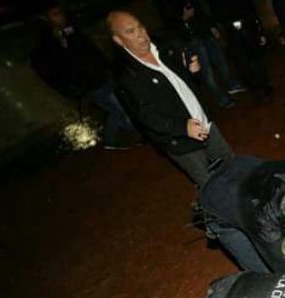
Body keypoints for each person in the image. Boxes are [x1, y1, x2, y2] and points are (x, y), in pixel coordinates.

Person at [110, 10, 235, 187]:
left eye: (140, 27)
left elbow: (181, 84)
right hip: (180, 141)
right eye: (130, 32)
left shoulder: (163, 48)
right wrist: (182, 128)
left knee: (233, 165)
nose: (141, 35)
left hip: (204, 122)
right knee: (211, 185)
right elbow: (146, 117)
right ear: (118, 40)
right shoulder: (126, 77)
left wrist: (192, 72)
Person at [31, 4, 138, 150]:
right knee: (120, 107)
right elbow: (56, 68)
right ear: (45, 18)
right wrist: (73, 87)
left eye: (60, 12)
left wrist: (108, 68)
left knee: (117, 107)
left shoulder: (72, 32)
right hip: (90, 84)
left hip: (101, 76)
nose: (61, 16)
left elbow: (91, 52)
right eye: (55, 14)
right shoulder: (48, 43)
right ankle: (136, 135)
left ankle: (110, 139)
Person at [157, 0, 244, 108]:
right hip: (190, 39)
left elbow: (201, 11)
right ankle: (221, 98)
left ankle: (232, 85)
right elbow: (170, 25)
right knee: (207, 72)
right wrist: (183, 18)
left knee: (221, 61)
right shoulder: (167, 4)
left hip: (204, 33)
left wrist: (212, 27)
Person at [209, 0, 273, 102]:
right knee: (245, 59)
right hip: (236, 24)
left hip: (243, 23)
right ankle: (257, 87)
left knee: (250, 57)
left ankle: (259, 86)